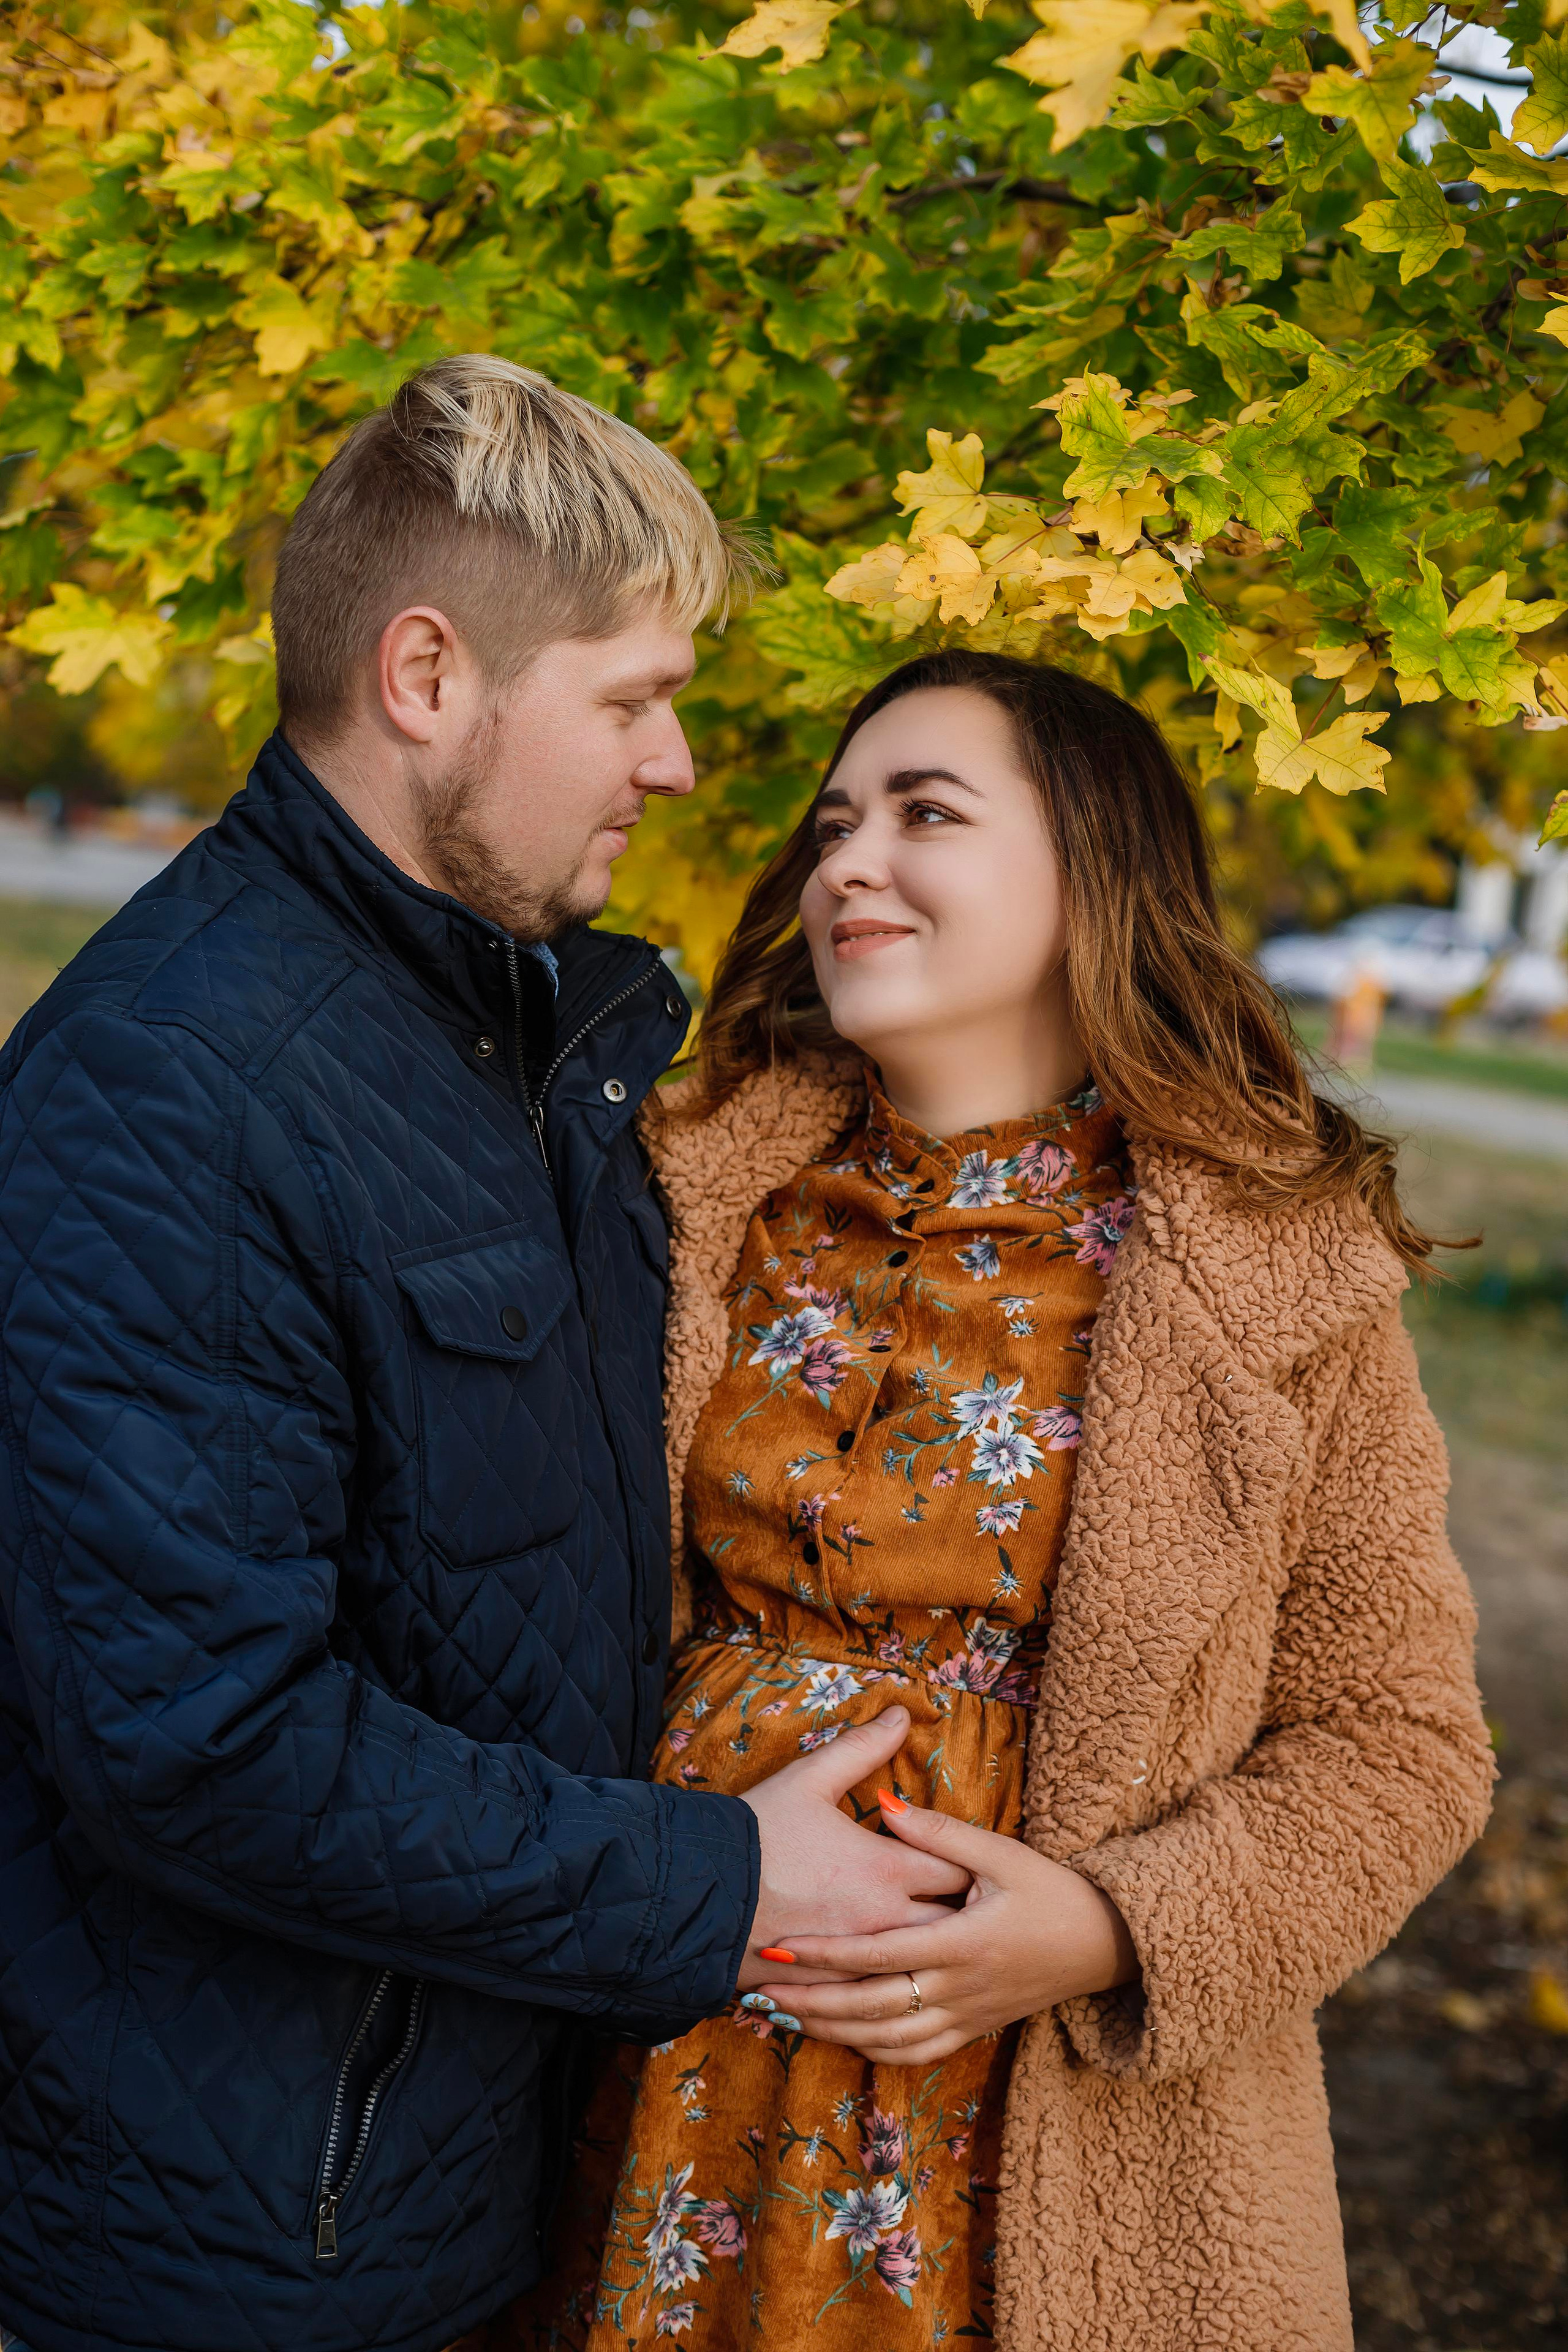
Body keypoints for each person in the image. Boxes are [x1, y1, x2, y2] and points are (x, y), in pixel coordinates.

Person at [0, 360, 968, 2352]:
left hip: (479, 2191)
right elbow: (201, 1744)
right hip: (237, 2261)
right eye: (629, 699)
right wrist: (709, 1884)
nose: (683, 763)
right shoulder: (173, 1088)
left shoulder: (513, 1051)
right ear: (426, 676)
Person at [498, 649, 1496, 2352]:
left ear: (1090, 873)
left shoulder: (1272, 1271)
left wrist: (1113, 1928)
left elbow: (1402, 1747)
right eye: (832, 827)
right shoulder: (686, 1193)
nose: (847, 865)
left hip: (1041, 2135)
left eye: (925, 814)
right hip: (657, 2064)